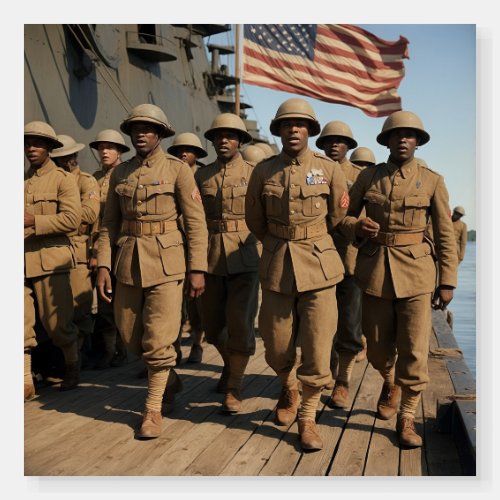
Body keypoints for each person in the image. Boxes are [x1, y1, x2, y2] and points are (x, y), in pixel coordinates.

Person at [339, 110, 458, 447]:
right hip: (375, 269)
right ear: (387, 140)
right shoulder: (369, 178)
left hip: (418, 273)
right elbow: (343, 220)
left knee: (415, 349)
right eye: (396, 135)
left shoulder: (433, 180)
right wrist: (356, 227)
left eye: (409, 135)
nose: (402, 140)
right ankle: (389, 380)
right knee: (377, 349)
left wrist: (447, 280)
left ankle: (406, 417)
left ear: (417, 142)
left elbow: (445, 234)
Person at [96, 104, 208, 439]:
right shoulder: (121, 173)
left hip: (167, 263)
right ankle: (170, 379)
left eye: (148, 128)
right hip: (128, 262)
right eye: (136, 129)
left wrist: (197, 268)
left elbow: (195, 223)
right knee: (132, 339)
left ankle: (152, 409)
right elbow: (109, 225)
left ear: (159, 133)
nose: (141, 134)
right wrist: (103, 263)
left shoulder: (177, 170)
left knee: (159, 340)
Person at [245, 98, 348, 451]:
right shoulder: (263, 170)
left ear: (309, 131)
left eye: (300, 125)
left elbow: (336, 216)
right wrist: (279, 243)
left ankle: (307, 417)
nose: (293, 130)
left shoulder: (330, 170)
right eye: (287, 125)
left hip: (319, 265)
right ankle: (287, 384)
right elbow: (255, 220)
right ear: (278, 130)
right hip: (277, 264)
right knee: (275, 345)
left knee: (319, 347)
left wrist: (309, 239)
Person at [195, 113, 260, 413]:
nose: (224, 140)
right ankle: (230, 364)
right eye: (219, 136)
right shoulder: (200, 176)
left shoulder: (254, 173)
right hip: (210, 258)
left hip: (245, 257)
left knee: (239, 321)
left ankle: (234, 385)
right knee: (212, 326)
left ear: (240, 141)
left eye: (230, 136)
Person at [24, 121, 82, 398]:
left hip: (50, 260)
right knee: (19, 324)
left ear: (49, 147)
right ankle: (25, 381)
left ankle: (72, 366)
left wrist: (35, 220)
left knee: (58, 324)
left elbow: (73, 220)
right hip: (20, 261)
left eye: (37, 143)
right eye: (27, 143)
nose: (30, 148)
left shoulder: (63, 179)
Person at [315, 120, 365, 409]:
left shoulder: (360, 176)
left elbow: (366, 219)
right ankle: (323, 371)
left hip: (348, 262)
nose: (334, 144)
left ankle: (342, 381)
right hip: (315, 261)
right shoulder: (311, 170)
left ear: (349, 146)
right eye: (329, 140)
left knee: (348, 324)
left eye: (340, 140)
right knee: (318, 324)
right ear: (321, 144)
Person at [51, 135, 100, 368]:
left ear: (74, 157)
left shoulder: (87, 182)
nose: (63, 162)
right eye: (57, 158)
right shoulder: (49, 181)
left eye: (66, 157)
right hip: (53, 251)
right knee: (58, 310)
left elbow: (90, 215)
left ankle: (79, 356)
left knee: (80, 308)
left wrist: (58, 216)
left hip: (79, 251)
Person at [89, 129, 130, 369]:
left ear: (120, 151)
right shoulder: (93, 179)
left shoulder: (125, 176)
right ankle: (109, 350)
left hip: (119, 245)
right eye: (100, 147)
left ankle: (123, 349)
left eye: (110, 147)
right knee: (105, 303)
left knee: (121, 300)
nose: (104, 152)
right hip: (99, 247)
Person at [167, 132, 208, 364]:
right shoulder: (170, 173)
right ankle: (170, 352)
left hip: (194, 248)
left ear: (197, 154)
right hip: (172, 247)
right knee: (172, 305)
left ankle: (197, 343)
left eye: (189, 150)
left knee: (195, 304)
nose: (183, 153)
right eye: (179, 149)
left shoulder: (201, 177)